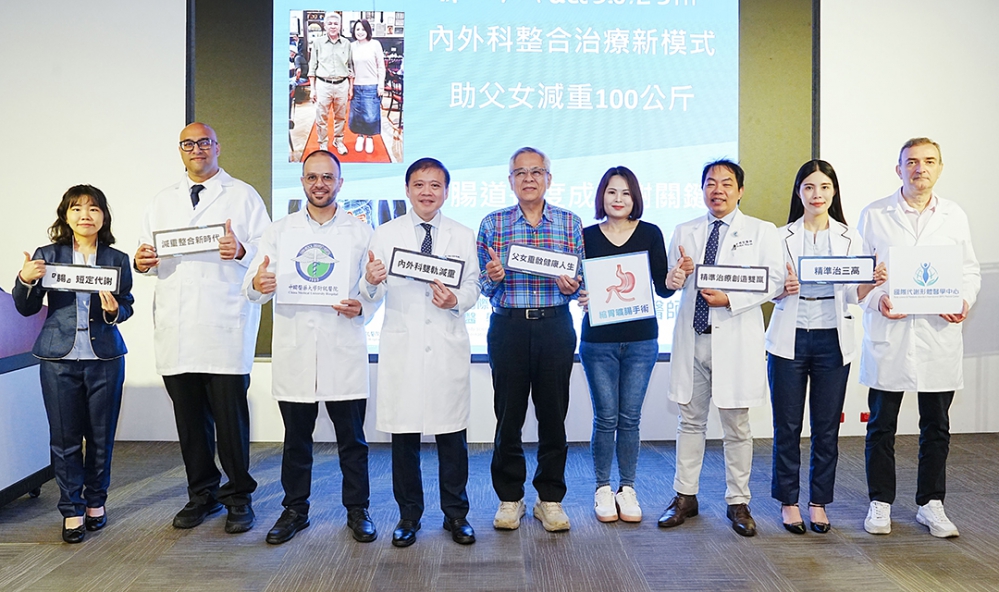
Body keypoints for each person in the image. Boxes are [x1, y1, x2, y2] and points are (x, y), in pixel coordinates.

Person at [135, 122, 270, 534]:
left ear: (218, 147)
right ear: (180, 150)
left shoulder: (243, 196)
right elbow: (146, 254)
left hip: (223, 325)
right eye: (188, 144)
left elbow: (268, 252)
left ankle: (239, 497)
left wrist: (242, 250)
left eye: (205, 142)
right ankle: (202, 494)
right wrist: (143, 262)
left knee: (230, 423)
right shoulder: (163, 200)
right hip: (178, 328)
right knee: (191, 423)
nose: (197, 149)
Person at [244, 150, 377, 545]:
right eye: (312, 177)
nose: (320, 184)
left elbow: (374, 286)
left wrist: (363, 303)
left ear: (340, 183)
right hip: (296, 348)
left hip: (342, 346)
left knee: (352, 440)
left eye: (327, 177)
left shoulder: (360, 231)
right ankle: (295, 510)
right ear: (302, 182)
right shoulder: (279, 231)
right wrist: (258, 285)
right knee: (296, 440)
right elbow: (253, 285)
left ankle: (358, 509)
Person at [858, 138, 980, 538]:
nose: (919, 168)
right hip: (890, 334)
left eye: (928, 161)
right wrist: (876, 299)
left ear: (940, 168)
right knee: (881, 425)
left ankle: (931, 503)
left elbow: (969, 271)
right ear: (899, 169)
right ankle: (880, 502)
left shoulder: (954, 215)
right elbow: (858, 274)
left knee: (936, 426)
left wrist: (962, 299)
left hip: (937, 336)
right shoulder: (875, 215)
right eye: (911, 162)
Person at [657, 159, 783, 537]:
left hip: (735, 337)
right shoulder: (685, 230)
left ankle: (738, 501)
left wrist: (730, 298)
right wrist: (676, 276)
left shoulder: (761, 231)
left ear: (740, 191)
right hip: (693, 339)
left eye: (727, 183)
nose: (718, 190)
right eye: (710, 183)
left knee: (736, 426)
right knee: (690, 422)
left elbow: (774, 281)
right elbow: (672, 282)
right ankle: (685, 496)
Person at [361, 158, 480, 547]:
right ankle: (408, 516)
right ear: (407, 189)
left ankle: (456, 515)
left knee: (452, 438)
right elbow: (371, 292)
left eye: (435, 185)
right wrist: (370, 281)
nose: (427, 192)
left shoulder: (462, 235)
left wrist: (455, 301)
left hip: (446, 344)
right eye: (419, 185)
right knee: (404, 439)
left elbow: (473, 286)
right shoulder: (385, 233)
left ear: (446, 191)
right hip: (404, 347)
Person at [765, 160, 886, 534]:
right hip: (789, 337)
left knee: (826, 427)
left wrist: (872, 281)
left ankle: (818, 502)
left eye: (824, 187)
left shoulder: (850, 237)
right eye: (809, 187)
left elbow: (853, 294)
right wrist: (781, 289)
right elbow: (767, 287)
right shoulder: (779, 236)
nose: (817, 194)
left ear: (834, 192)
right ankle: (788, 502)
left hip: (833, 338)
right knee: (787, 426)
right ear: (798, 192)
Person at [13, 185, 134, 543]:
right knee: (64, 438)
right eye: (77, 208)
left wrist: (114, 311)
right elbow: (26, 307)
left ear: (103, 217)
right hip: (58, 358)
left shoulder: (116, 258)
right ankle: (71, 509)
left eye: (93, 208)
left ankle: (96, 502)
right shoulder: (47, 255)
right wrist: (25, 280)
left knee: (101, 437)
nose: (85, 215)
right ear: (65, 216)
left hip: (105, 358)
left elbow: (126, 304)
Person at [477, 147, 583, 532]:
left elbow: (581, 280)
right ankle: (510, 497)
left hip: (555, 326)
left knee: (553, 415)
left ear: (548, 179)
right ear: (510, 181)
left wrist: (573, 286)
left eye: (536, 172)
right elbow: (482, 284)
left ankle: (550, 499)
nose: (528, 178)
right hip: (509, 327)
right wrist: (493, 277)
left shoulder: (570, 223)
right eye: (520, 172)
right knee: (508, 416)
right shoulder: (493, 223)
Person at [576, 166, 672, 523]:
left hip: (641, 340)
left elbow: (662, 287)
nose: (618, 199)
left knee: (630, 419)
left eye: (626, 193)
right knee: (605, 418)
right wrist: (580, 293)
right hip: (597, 341)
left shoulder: (650, 233)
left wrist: (675, 278)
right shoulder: (585, 235)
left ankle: (627, 488)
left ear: (636, 198)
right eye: (612, 192)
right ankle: (602, 488)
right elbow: (575, 282)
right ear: (602, 196)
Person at [309, 11, 353, 155]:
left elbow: (350, 67)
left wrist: (350, 88)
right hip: (323, 85)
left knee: (341, 116)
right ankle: (322, 143)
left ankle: (338, 141)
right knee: (321, 116)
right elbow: (312, 66)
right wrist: (312, 89)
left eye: (336, 24)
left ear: (340, 26)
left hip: (342, 84)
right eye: (330, 23)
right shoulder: (317, 43)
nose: (333, 26)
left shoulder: (347, 44)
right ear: (325, 26)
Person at [348, 19, 385, 155]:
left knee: (370, 115)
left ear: (368, 30)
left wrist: (381, 85)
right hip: (356, 85)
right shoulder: (351, 46)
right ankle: (360, 136)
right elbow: (350, 67)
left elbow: (381, 66)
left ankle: (369, 138)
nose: (360, 32)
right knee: (357, 114)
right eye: (357, 29)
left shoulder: (375, 44)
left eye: (363, 29)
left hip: (371, 85)